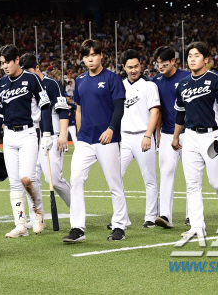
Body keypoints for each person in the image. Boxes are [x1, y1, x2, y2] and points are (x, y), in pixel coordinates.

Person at [63, 39, 128, 243]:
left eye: (93, 54)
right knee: (75, 181)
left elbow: (119, 108)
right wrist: (81, 132)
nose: (90, 58)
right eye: (86, 55)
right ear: (83, 58)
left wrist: (111, 129)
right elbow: (79, 109)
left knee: (114, 183)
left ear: (101, 55)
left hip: (107, 139)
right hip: (85, 140)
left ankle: (119, 226)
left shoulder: (112, 78)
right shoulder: (80, 80)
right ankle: (77, 228)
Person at [172, 41, 218, 238]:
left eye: (196, 55)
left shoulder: (215, 79)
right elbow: (180, 114)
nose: (192, 59)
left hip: (213, 136)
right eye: (190, 56)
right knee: (192, 184)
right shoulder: (182, 84)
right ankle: (197, 227)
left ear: (206, 59)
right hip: (190, 137)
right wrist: (176, 137)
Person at [0, 45, 53, 238]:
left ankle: (38, 212)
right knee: (15, 183)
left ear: (17, 60)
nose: (5, 67)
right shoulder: (0, 84)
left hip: (28, 133)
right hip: (8, 136)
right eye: (2, 64)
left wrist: (48, 132)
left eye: (7, 62)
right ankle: (20, 224)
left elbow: (45, 105)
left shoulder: (31, 79)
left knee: (27, 178)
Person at [19, 54, 71, 217]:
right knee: (31, 179)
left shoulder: (51, 84)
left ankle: (76, 208)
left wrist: (63, 135)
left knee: (53, 180)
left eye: (29, 71)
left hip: (52, 135)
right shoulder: (24, 86)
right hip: (31, 137)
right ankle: (37, 216)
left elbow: (63, 111)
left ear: (37, 68)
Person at [119, 49, 160, 228]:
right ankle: (121, 218)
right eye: (130, 67)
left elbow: (155, 112)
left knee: (149, 179)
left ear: (141, 65)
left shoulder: (149, 85)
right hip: (124, 138)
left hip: (143, 136)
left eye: (136, 66)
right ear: (123, 67)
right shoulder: (119, 85)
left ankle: (150, 217)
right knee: (115, 176)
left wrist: (148, 136)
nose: (134, 70)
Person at [152, 46, 191, 229]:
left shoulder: (186, 77)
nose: (160, 66)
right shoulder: (156, 81)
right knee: (166, 173)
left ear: (174, 61)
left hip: (189, 133)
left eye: (164, 63)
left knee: (192, 176)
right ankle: (166, 215)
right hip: (168, 134)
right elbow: (157, 110)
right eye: (158, 63)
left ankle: (192, 215)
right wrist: (158, 133)